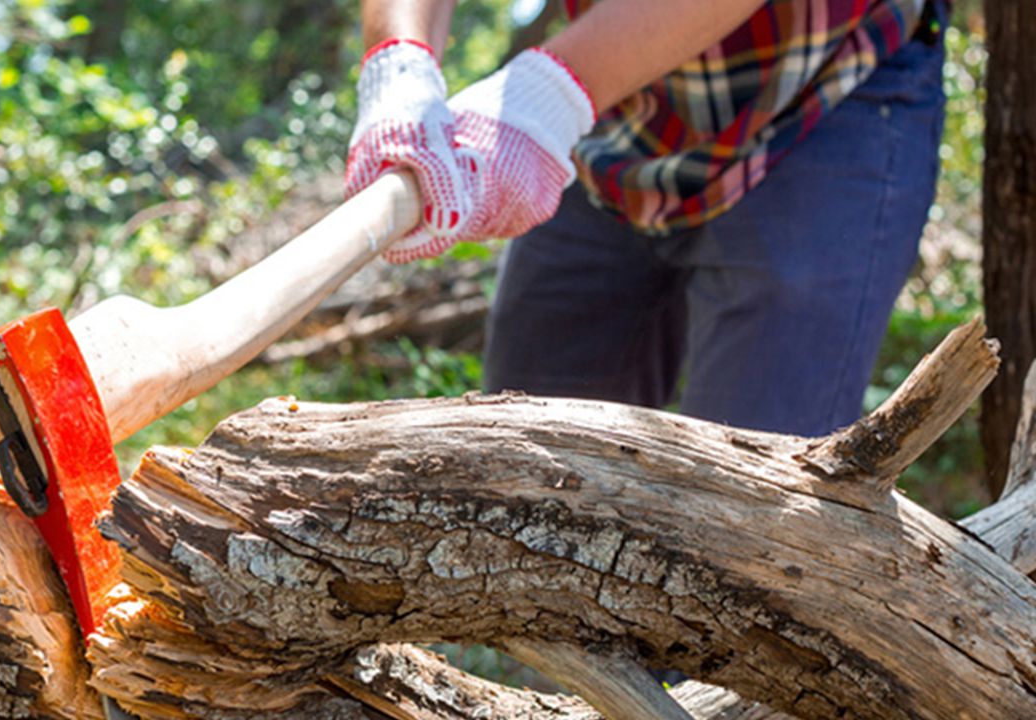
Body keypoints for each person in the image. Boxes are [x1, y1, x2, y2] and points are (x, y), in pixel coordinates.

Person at [345, 0, 948, 437]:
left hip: (824, 82)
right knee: (530, 461)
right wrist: (399, 65)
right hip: (617, 103)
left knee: (749, 500)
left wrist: (548, 96)